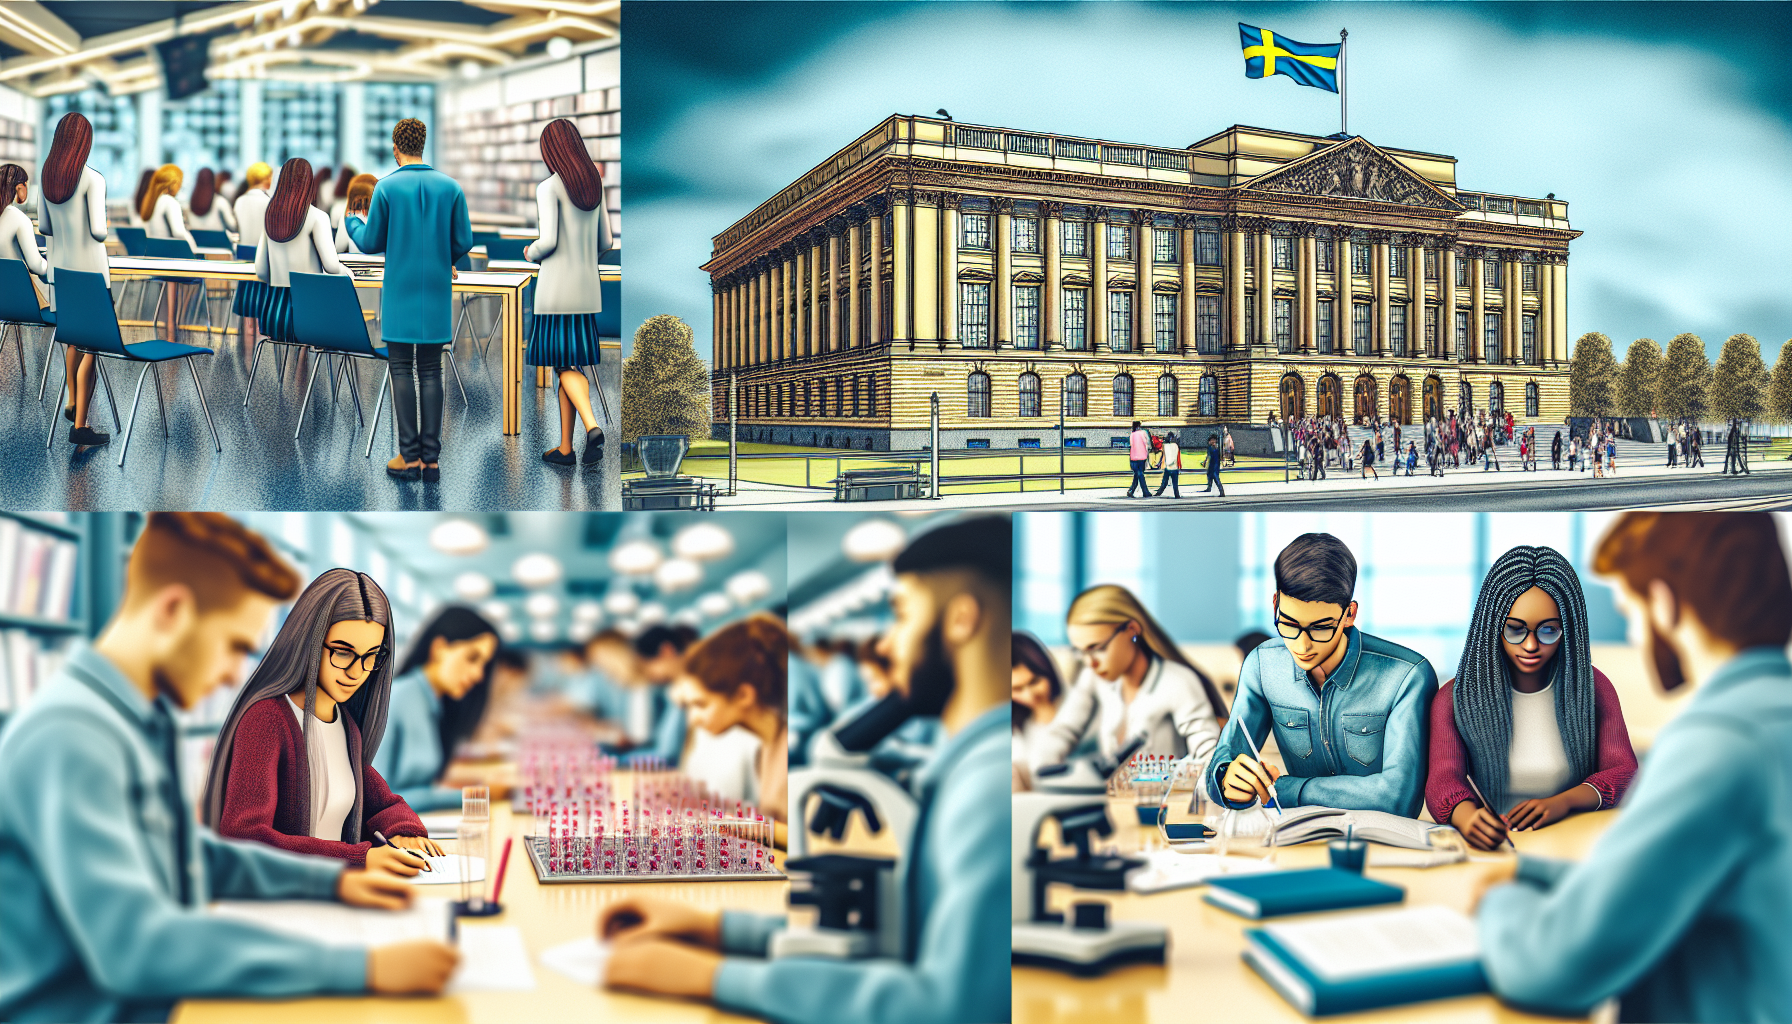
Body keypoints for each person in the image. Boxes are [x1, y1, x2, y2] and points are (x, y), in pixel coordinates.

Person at [0, 513, 458, 1022]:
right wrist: (362, 967)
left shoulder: (136, 723)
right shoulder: (71, 739)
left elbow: (192, 856)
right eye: (235, 646)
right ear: (173, 611)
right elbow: (137, 948)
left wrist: (335, 881)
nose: (228, 676)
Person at [597, 517, 1010, 1024]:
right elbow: (891, 945)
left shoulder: (985, 788)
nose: (884, 644)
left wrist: (712, 976)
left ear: (961, 620)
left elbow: (946, 1007)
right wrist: (720, 930)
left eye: (901, 615)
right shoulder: (963, 772)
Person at [1473, 513, 1792, 1021]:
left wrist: (1497, 905)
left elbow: (1554, 965)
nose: (1638, 637)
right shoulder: (1773, 718)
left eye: (1631, 612)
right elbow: (1679, 879)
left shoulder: (1722, 744)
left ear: (1664, 605)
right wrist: (1532, 872)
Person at [203, 569, 441, 871]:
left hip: (336, 891)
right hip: (289, 896)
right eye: (343, 653)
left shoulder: (345, 725)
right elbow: (245, 836)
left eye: (371, 656)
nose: (357, 672)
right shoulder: (267, 720)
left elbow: (380, 801)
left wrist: (404, 830)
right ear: (310, 641)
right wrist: (359, 857)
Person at [1204, 533, 1439, 817]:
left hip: (1380, 847)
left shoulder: (1408, 676)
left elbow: (1397, 798)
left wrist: (1287, 789)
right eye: (1289, 623)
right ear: (1275, 603)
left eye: (1320, 628)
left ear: (1349, 614)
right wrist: (1227, 778)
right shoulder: (1261, 664)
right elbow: (1226, 754)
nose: (1302, 645)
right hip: (1295, 836)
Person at [1426, 546, 1638, 851]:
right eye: (1515, 630)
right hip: (1496, 847)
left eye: (1548, 631)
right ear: (1492, 626)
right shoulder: (1455, 698)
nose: (1530, 645)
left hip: (1575, 842)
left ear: (1568, 629)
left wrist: (1564, 803)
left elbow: (1624, 772)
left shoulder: (1593, 687)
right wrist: (1467, 817)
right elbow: (1443, 779)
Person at [344, 118, 473, 484]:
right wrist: (443, 255)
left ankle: (409, 457)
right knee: (431, 369)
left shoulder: (385, 188)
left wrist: (354, 221)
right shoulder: (451, 187)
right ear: (423, 144)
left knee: (401, 368)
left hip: (400, 289)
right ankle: (431, 462)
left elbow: (370, 243)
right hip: (435, 288)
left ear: (395, 148)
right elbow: (463, 241)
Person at [1031, 584, 1226, 770]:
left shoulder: (1178, 682)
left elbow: (1209, 756)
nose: (1090, 663)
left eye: (1097, 648)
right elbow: (1063, 730)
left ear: (1132, 630)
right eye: (1080, 652)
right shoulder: (1094, 678)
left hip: (1161, 800)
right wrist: (1039, 771)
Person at [526, 117, 615, 467]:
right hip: (585, 289)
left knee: (563, 365)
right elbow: (606, 241)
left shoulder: (549, 188)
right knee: (569, 364)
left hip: (555, 292)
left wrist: (531, 252)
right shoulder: (595, 185)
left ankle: (592, 426)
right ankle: (565, 448)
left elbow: (547, 242)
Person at [370, 606, 500, 812]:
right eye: (472, 658)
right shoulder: (398, 697)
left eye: (483, 664)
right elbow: (376, 801)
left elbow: (420, 787)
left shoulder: (433, 703)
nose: (478, 674)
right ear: (439, 648)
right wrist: (471, 795)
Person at [678, 615, 790, 847]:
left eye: (701, 705)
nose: (694, 719)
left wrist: (729, 824)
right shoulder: (766, 747)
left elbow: (811, 840)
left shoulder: (792, 749)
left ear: (743, 696)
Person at [38, 112, 110, 447]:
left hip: (61, 271)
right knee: (91, 347)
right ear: (85, 142)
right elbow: (99, 231)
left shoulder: (47, 179)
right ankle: (81, 425)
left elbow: (45, 228)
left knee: (71, 340)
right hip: (91, 273)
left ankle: (70, 401)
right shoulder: (93, 179)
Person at [254, 157, 351, 356]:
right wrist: (348, 271)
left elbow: (261, 271)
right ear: (309, 183)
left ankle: (288, 385)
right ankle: (301, 384)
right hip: (308, 312)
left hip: (274, 312)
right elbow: (332, 267)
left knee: (287, 351)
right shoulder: (317, 217)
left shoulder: (269, 215)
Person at [1011, 630, 1067, 788]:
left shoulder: (1078, 708)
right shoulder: (1016, 726)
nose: (1029, 695)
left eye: (1034, 682)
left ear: (1048, 671)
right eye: (1017, 689)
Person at [230, 161, 273, 341]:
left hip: (243, 255)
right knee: (262, 297)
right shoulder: (268, 201)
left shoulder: (239, 201)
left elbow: (236, 227)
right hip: (264, 256)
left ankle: (248, 333)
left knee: (247, 298)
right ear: (266, 179)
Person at [0, 164, 47, 279]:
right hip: (16, 287)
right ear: (20, 187)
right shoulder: (18, 217)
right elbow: (36, 266)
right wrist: (50, 265)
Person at [141, 164, 197, 249]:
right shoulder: (170, 202)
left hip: (156, 250)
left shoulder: (152, 201)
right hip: (170, 253)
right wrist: (193, 246)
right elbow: (178, 232)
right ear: (174, 183)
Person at [335, 173, 377, 255]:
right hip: (382, 264)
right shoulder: (382, 207)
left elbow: (339, 246)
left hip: (355, 263)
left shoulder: (349, 213)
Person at [186, 168, 229, 234]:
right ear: (213, 181)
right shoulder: (220, 202)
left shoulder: (188, 203)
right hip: (218, 241)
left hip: (195, 241)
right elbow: (232, 225)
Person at [1125, 419, 1150, 498]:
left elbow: (1131, 444)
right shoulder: (1143, 433)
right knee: (1140, 474)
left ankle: (1131, 490)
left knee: (1137, 474)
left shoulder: (1132, 434)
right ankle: (1145, 492)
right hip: (1142, 456)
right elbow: (1147, 444)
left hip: (1133, 457)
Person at [1153, 430, 1181, 498]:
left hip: (1167, 467)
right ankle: (1176, 495)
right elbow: (1177, 456)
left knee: (1164, 482)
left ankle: (1159, 493)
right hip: (1174, 467)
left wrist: (1161, 464)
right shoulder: (1175, 446)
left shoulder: (1165, 446)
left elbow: (1164, 456)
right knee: (1175, 483)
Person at [1203, 431, 1225, 495]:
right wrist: (1205, 461)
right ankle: (1209, 487)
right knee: (1209, 475)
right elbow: (1208, 455)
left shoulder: (1216, 447)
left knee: (1216, 477)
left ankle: (1221, 492)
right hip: (1211, 463)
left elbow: (1219, 455)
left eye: (1213, 440)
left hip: (1215, 464)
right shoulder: (1210, 447)